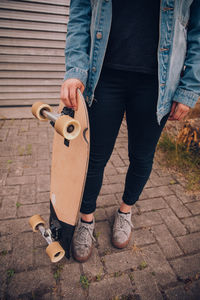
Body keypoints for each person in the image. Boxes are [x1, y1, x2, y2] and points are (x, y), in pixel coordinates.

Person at [60, 0, 200, 262]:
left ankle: (125, 212)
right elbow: (80, 13)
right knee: (93, 158)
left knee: (142, 157)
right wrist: (75, 69)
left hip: (156, 81)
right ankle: (86, 218)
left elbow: (197, 31)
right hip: (103, 76)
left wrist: (189, 86)